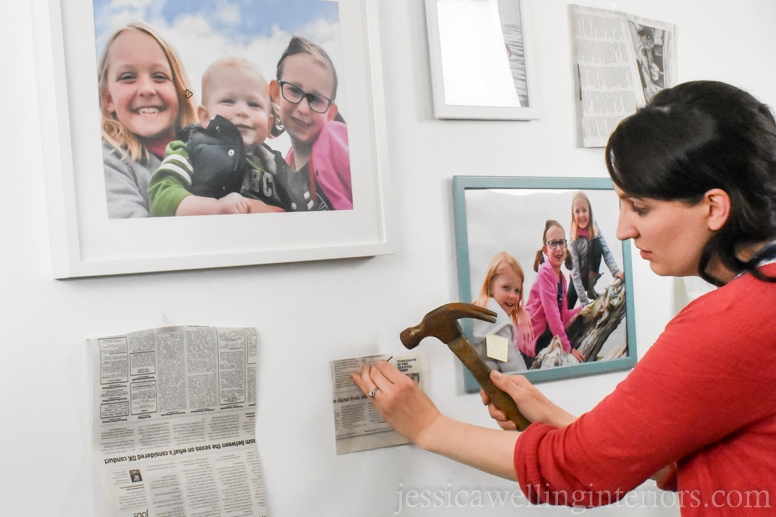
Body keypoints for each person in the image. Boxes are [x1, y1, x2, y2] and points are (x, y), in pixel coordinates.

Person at [351, 80, 776, 515]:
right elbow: (727, 461)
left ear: (714, 207)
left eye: (640, 208)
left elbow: (582, 472)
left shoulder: (731, 322)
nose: (624, 229)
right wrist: (561, 421)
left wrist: (428, 427)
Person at [148, 57, 310, 216]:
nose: (242, 111)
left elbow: (310, 210)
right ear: (204, 116)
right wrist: (215, 208)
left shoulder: (280, 167)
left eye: (254, 104)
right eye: (228, 101)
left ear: (268, 124)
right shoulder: (191, 148)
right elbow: (161, 195)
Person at [98, 22, 197, 218]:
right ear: (108, 99)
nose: (146, 89)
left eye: (159, 77)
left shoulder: (210, 146)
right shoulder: (110, 161)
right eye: (128, 77)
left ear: (180, 90)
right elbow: (132, 234)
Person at [270, 35, 352, 211]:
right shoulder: (286, 169)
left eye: (315, 99)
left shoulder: (337, 138)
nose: (303, 109)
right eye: (294, 90)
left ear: (330, 113)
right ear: (276, 93)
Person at [524, 221, 585, 366]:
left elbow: (562, 315)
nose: (558, 249)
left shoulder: (562, 279)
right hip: (530, 340)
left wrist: (583, 309)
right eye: (553, 244)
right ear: (545, 249)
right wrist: (568, 348)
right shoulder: (545, 272)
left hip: (544, 337)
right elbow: (553, 318)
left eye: (561, 243)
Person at [470, 252, 532, 372]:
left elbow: (499, 354)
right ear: (490, 286)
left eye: (517, 290)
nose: (512, 296)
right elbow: (512, 367)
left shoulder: (483, 312)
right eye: (506, 288)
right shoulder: (497, 320)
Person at [567, 191, 625, 308]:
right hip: (577, 278)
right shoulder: (573, 239)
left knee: (598, 243)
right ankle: (587, 293)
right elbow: (576, 273)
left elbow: (605, 250)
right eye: (577, 211)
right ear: (573, 215)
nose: (581, 215)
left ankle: (590, 287)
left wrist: (616, 271)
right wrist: (584, 304)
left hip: (591, 276)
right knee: (568, 306)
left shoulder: (594, 227)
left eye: (584, 210)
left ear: (590, 212)